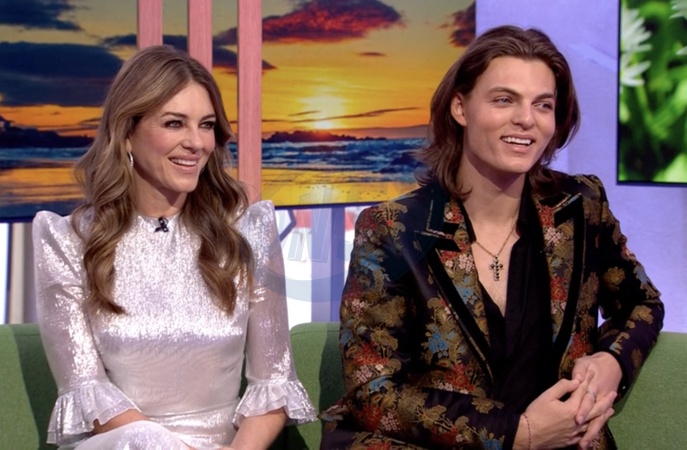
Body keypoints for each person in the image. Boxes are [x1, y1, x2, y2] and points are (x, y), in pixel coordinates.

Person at [320, 25, 663, 449]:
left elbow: (642, 302)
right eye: (504, 100)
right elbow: (372, 391)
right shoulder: (393, 228)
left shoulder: (581, 206)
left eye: (543, 104)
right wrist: (517, 434)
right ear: (460, 107)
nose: (526, 119)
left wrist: (611, 361)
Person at [32, 45, 316, 449]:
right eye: (174, 123)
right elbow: (86, 391)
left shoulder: (249, 231)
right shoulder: (68, 240)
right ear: (126, 134)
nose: (196, 143)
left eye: (206, 125)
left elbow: (273, 384)